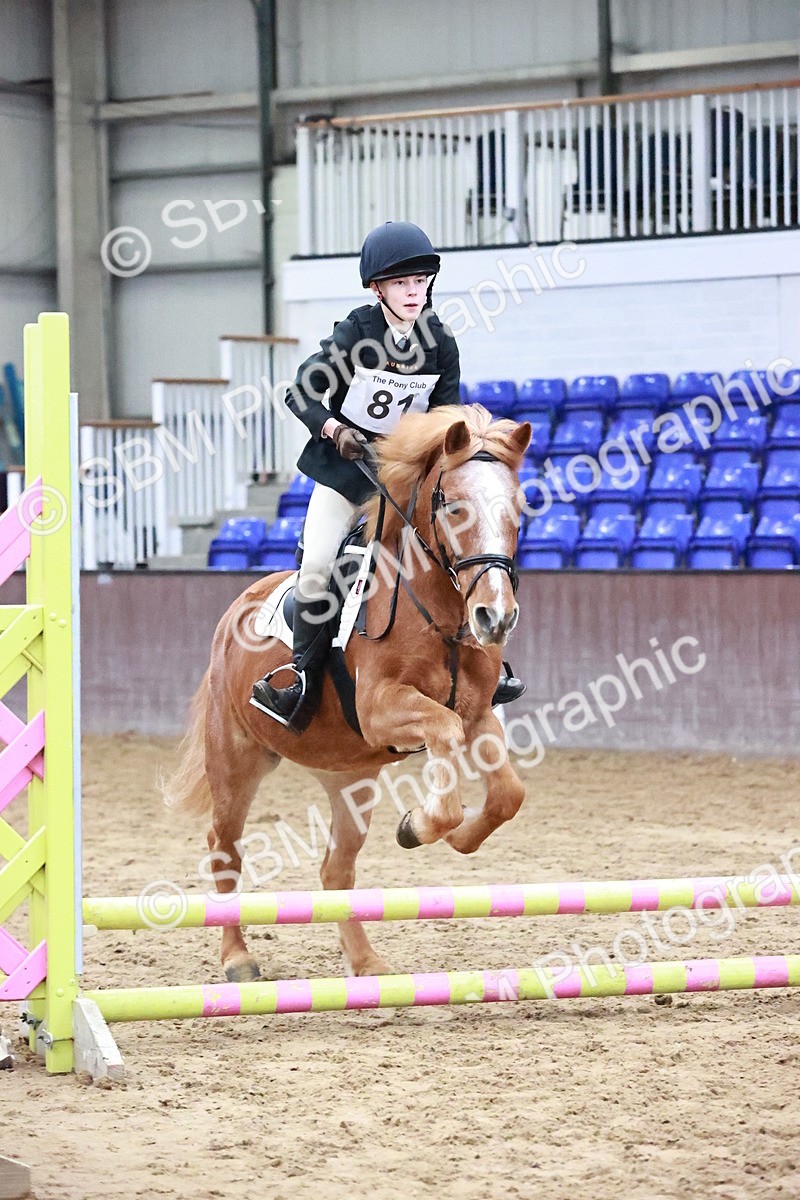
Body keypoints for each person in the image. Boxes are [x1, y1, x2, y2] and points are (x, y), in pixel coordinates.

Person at [251, 219, 524, 733]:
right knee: (316, 568)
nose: (413, 292)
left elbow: (447, 421)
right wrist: (334, 429)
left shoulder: (440, 341)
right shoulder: (357, 332)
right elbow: (299, 392)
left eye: (420, 281)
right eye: (402, 283)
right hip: (345, 474)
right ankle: (301, 676)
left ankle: (484, 664)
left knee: (461, 547)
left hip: (402, 481)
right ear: (378, 288)